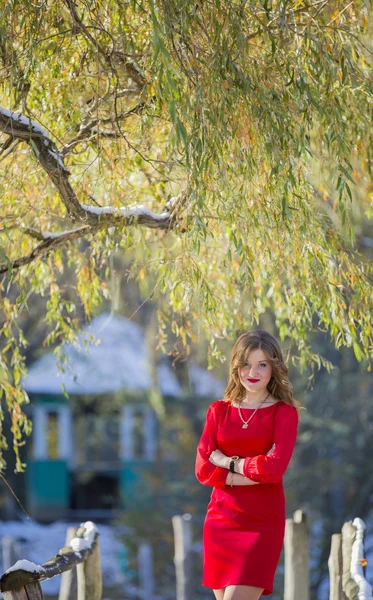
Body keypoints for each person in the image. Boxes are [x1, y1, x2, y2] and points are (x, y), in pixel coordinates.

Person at [195, 329, 302, 600]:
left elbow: (274, 469)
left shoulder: (284, 413)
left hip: (262, 522)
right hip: (220, 519)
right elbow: (203, 469)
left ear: (273, 368)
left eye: (262, 364)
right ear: (235, 366)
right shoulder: (218, 411)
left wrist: (227, 462)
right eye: (246, 364)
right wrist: (252, 470)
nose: (252, 372)